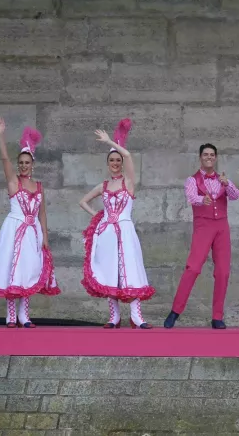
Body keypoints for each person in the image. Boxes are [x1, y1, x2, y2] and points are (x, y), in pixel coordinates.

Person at [79, 119, 155, 329]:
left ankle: (136, 316)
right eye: (111, 160)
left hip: (125, 230)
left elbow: (129, 155)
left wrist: (110, 141)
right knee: (110, 271)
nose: (115, 163)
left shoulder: (129, 183)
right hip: (108, 234)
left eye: (117, 160)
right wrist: (99, 217)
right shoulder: (103, 185)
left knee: (130, 269)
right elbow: (82, 201)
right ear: (107, 163)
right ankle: (114, 316)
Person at [0, 119, 60, 328]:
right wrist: (1, 135)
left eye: (27, 163)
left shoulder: (39, 186)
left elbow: (42, 213)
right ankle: (10, 315)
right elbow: (3, 159)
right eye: (21, 163)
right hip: (15, 228)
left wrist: (44, 236)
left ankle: (24, 315)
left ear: (33, 164)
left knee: (28, 270)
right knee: (13, 269)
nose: (24, 166)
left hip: (32, 231)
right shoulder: (13, 181)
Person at [164, 142, 239, 329]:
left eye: (212, 155)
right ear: (200, 157)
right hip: (203, 225)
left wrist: (227, 183)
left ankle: (217, 316)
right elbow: (191, 197)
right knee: (193, 268)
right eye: (205, 154)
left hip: (222, 226)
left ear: (215, 157)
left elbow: (236, 195)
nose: (209, 157)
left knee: (223, 271)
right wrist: (201, 199)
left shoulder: (222, 179)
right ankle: (175, 311)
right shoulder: (192, 180)